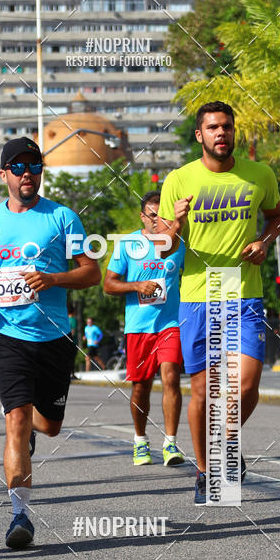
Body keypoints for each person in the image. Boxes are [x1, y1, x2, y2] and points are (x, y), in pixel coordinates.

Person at [0, 137, 101, 548]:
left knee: (50, 426)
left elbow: (91, 272)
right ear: (3, 174)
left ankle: (34, 433)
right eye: (19, 167)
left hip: (54, 336)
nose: (27, 174)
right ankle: (19, 515)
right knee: (16, 420)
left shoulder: (62, 217)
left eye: (34, 167)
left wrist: (53, 278)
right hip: (6, 334)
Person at [158, 101, 280, 503]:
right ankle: (204, 471)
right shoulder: (179, 180)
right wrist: (176, 224)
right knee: (203, 392)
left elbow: (276, 217)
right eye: (212, 127)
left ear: (234, 131)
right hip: (198, 294)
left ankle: (226, 442)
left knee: (247, 384)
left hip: (243, 290)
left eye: (226, 126)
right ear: (200, 135)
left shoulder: (259, 174)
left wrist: (264, 242)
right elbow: (163, 247)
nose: (221, 133)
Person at [104, 191, 185, 467]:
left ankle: (171, 442)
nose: (157, 220)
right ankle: (140, 440)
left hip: (170, 323)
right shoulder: (128, 244)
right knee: (141, 387)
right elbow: (109, 284)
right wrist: (137, 285)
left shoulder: (179, 243)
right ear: (142, 216)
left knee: (171, 376)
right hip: (138, 327)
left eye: (163, 216)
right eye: (152, 215)